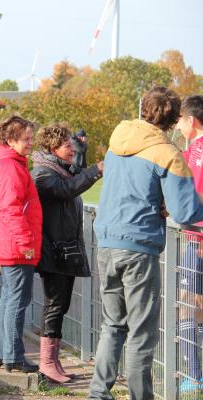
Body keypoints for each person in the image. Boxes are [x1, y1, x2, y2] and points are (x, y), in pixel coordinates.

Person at [89, 87, 203, 399]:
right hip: (139, 247)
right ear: (173, 118)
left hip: (107, 241)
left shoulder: (117, 143)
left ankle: (98, 393)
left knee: (112, 326)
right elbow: (187, 212)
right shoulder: (167, 153)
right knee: (142, 332)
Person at [31, 123, 102, 383]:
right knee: (55, 304)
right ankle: (47, 363)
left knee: (61, 305)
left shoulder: (59, 170)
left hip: (64, 250)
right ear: (53, 147)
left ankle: (54, 361)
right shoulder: (42, 173)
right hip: (53, 250)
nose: (71, 148)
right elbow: (66, 190)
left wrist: (83, 162)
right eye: (67, 145)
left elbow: (72, 179)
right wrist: (96, 171)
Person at [0, 116, 41, 373]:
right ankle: (13, 356)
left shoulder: (8, 163)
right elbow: (12, 209)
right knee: (17, 299)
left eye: (31, 138)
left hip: (8, 243)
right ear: (11, 140)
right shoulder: (10, 167)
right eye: (26, 139)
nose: (30, 143)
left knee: (9, 298)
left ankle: (3, 353)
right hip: (15, 245)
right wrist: (25, 241)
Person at [176, 95, 203, 393]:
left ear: (191, 121)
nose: (178, 125)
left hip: (195, 239)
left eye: (180, 119)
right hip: (196, 238)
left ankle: (194, 377)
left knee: (188, 306)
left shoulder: (194, 153)